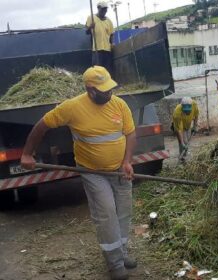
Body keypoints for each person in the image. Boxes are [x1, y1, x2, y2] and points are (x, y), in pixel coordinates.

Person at [21, 66, 136, 280]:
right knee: (107, 213)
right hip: (93, 172)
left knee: (124, 212)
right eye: (103, 91)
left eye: (110, 89)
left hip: (119, 170)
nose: (108, 94)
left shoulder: (120, 104)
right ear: (90, 89)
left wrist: (127, 161)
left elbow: (130, 134)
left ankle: (122, 253)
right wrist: (27, 154)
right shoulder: (72, 107)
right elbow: (41, 126)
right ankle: (115, 263)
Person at [86, 1, 114, 73]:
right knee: (97, 69)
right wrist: (90, 27)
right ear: (98, 8)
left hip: (107, 49)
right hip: (96, 49)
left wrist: (112, 44)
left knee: (107, 70)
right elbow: (87, 32)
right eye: (102, 9)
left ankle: (107, 84)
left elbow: (111, 34)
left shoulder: (109, 21)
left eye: (105, 9)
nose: (104, 11)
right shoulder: (91, 18)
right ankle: (98, 84)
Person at [172, 97, 199, 161]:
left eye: (189, 111)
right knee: (183, 142)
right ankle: (182, 157)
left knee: (187, 142)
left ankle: (184, 155)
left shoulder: (194, 104)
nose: (187, 112)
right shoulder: (177, 113)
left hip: (188, 125)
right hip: (179, 126)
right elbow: (179, 130)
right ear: (182, 107)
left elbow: (196, 115)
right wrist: (182, 142)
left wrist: (195, 126)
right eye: (185, 111)